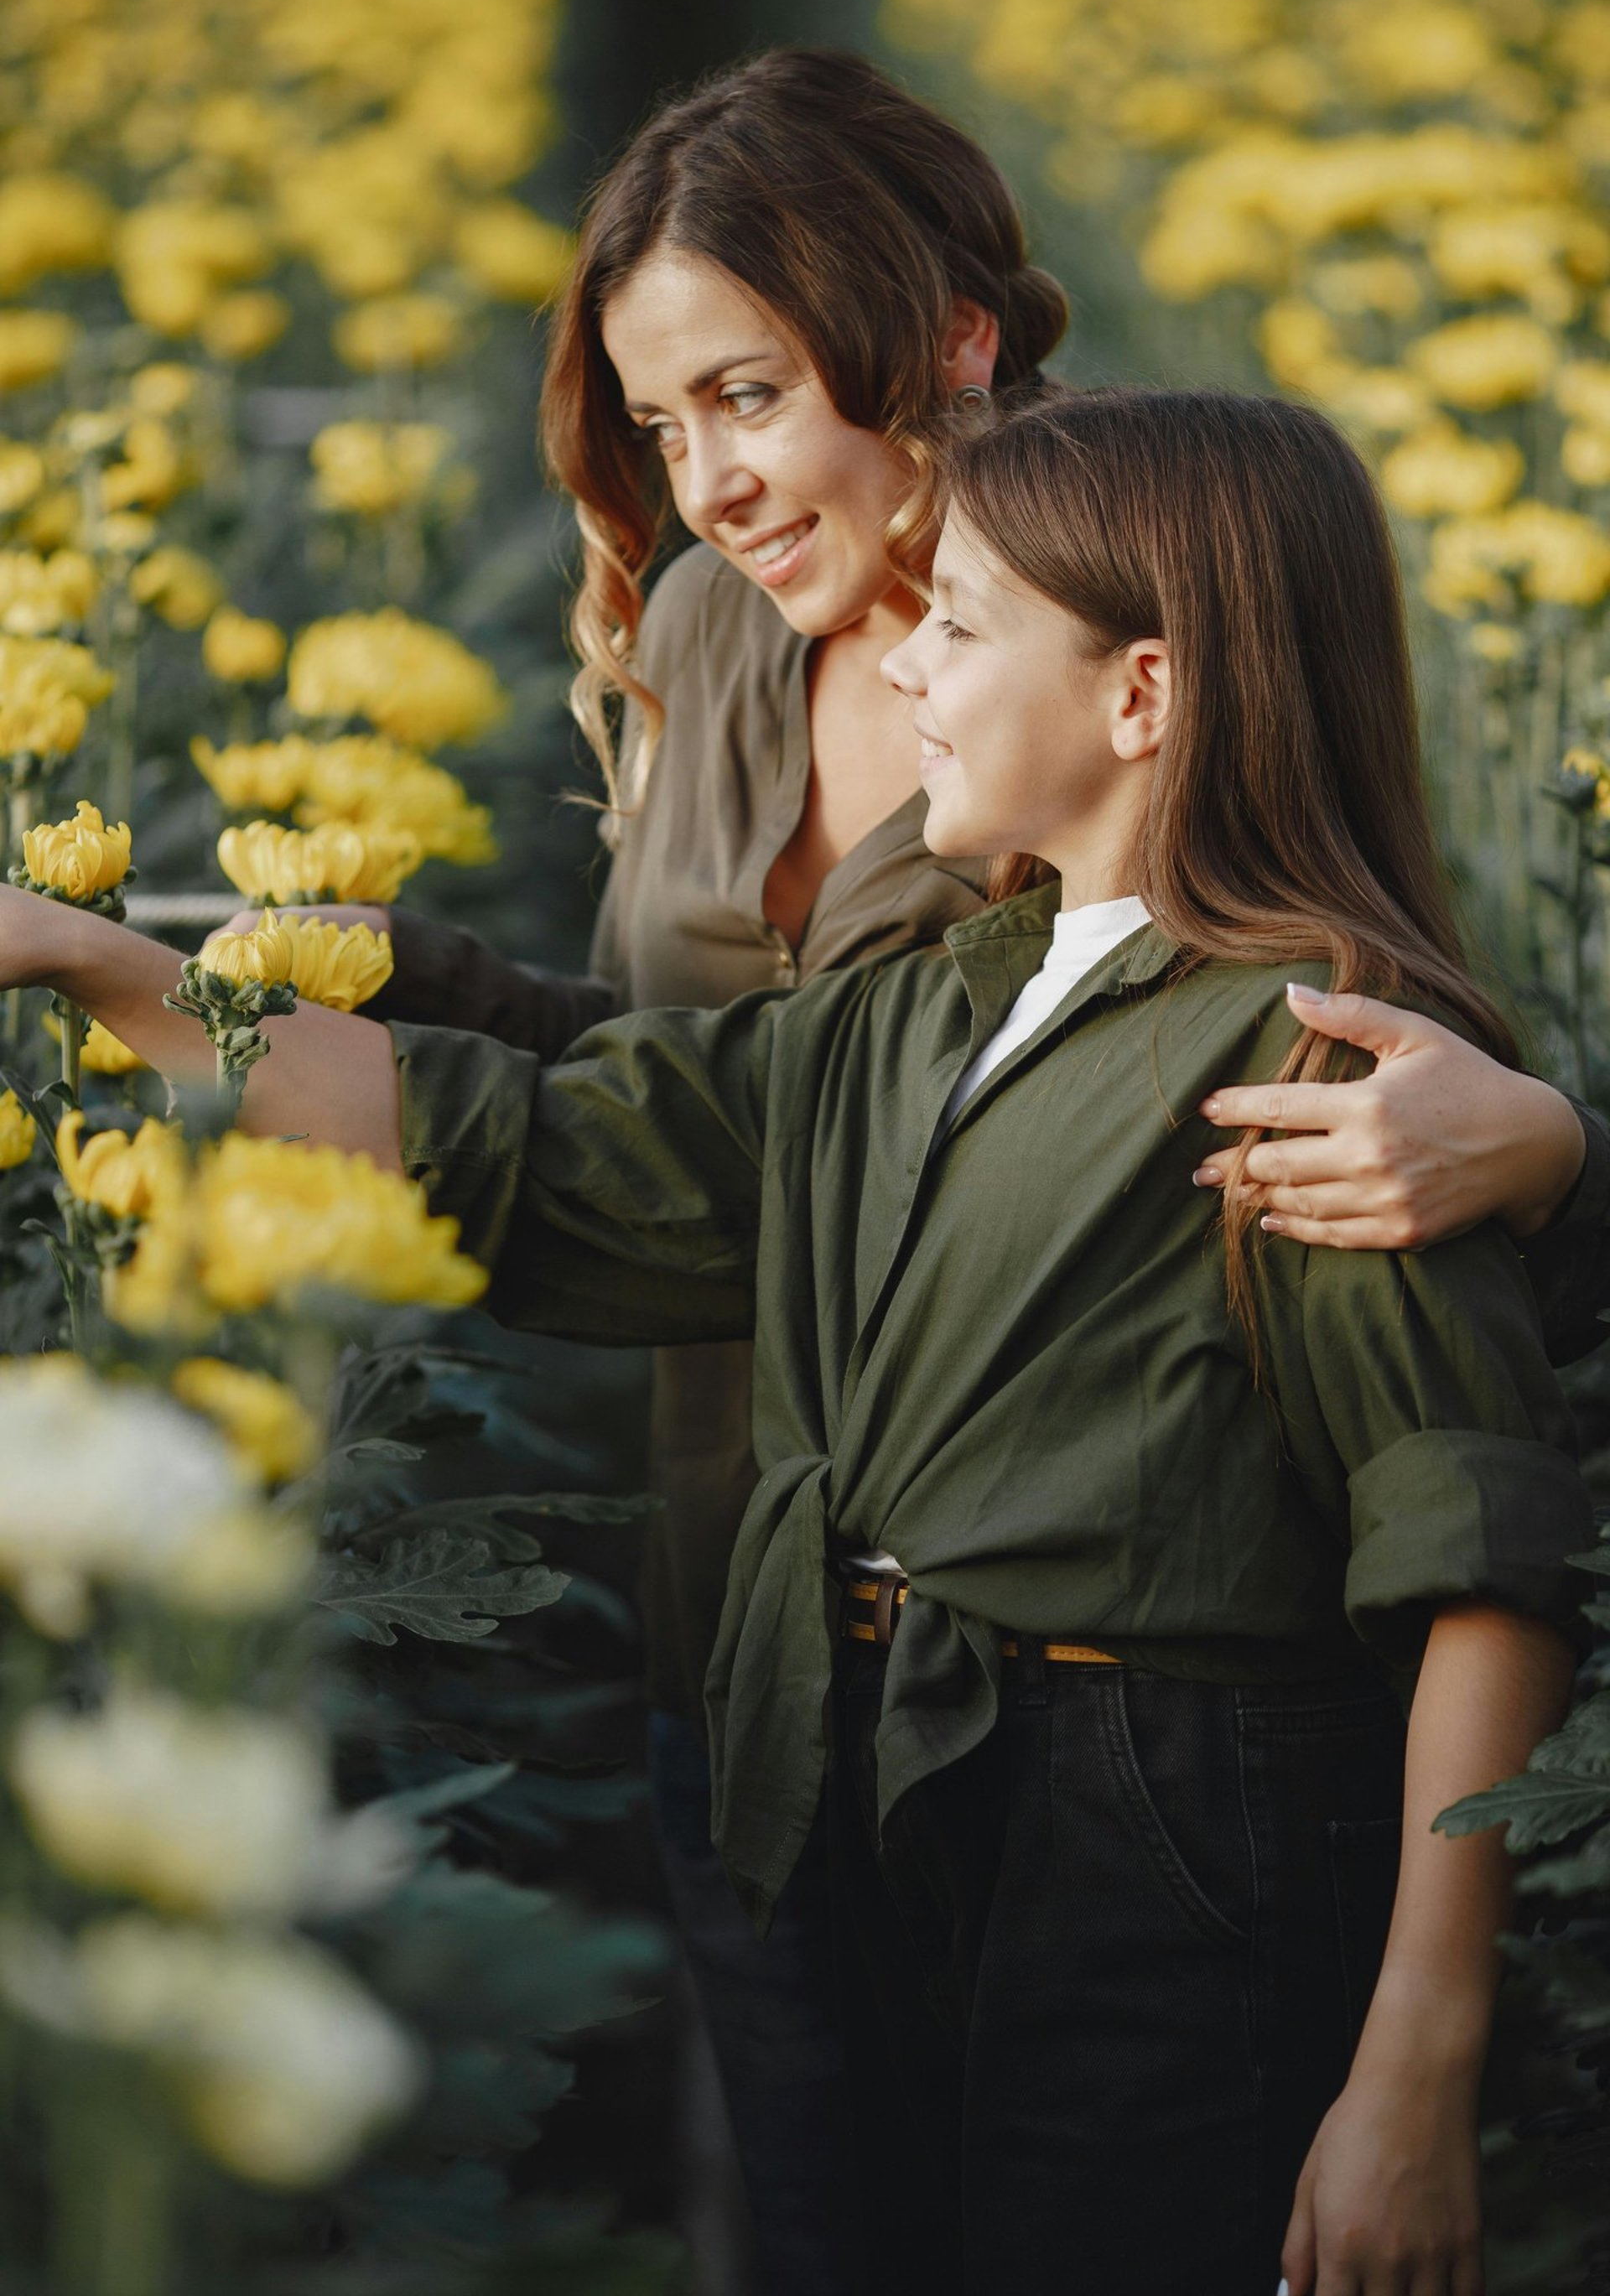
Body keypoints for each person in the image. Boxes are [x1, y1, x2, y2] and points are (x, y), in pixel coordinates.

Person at [6, 384, 1596, 2294]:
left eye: (963, 623)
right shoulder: (923, 1008)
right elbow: (517, 1139)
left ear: (1144, 694)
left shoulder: (1325, 1055)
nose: (901, 663)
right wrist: (92, 961)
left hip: (1168, 1815)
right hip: (879, 1769)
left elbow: (1474, 1569)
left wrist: (1417, 2066)